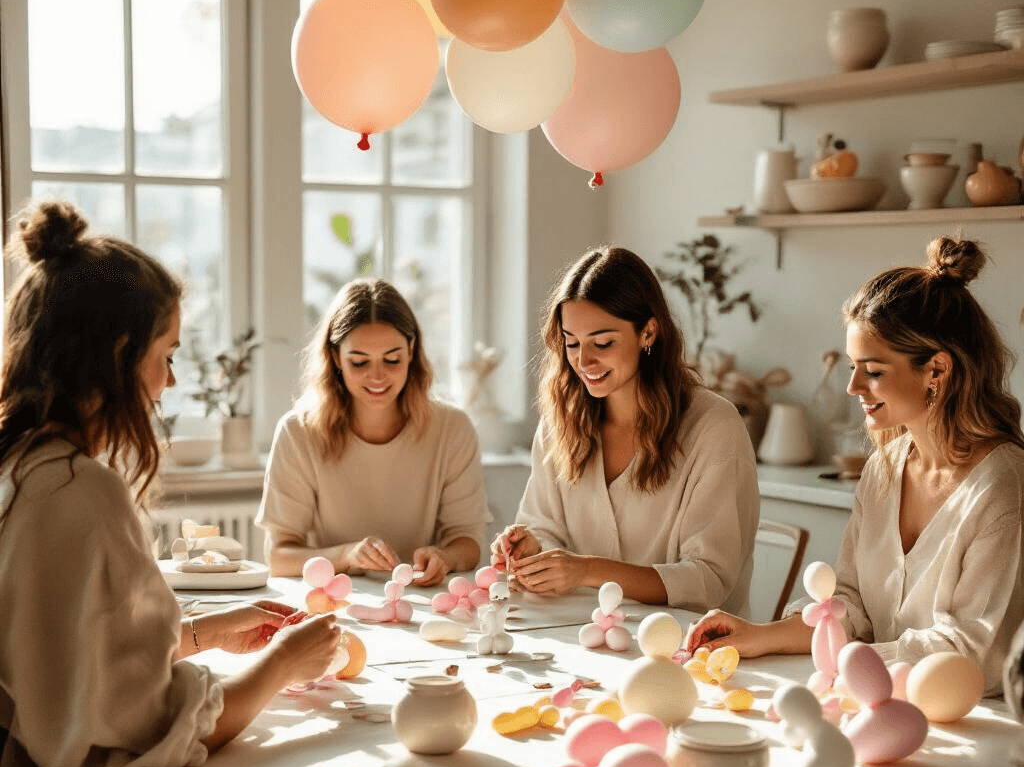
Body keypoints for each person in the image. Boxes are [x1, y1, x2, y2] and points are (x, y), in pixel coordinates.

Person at [0, 200, 341, 767]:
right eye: (166, 353)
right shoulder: (79, 494)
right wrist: (282, 666)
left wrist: (198, 632)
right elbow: (149, 729)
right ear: (120, 352)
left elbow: (61, 655)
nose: (171, 379)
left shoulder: (21, 468)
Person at [687, 237, 1024, 696]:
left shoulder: (1002, 487)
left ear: (936, 371)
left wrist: (845, 661)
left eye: (874, 371)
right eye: (852, 366)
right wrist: (761, 635)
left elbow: (973, 654)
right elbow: (852, 604)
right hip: (874, 697)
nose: (853, 387)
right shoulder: (883, 469)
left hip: (975, 721)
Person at [491, 246, 759, 610]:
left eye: (603, 343)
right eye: (572, 343)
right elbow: (545, 526)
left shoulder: (714, 428)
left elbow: (708, 580)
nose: (584, 361)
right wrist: (531, 546)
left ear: (648, 332)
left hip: (686, 639)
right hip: (577, 631)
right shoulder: (562, 421)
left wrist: (587, 570)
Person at [257, 278, 488, 587]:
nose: (377, 376)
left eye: (391, 360)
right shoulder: (297, 432)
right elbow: (278, 557)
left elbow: (468, 542)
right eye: (359, 362)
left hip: (424, 598)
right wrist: (347, 555)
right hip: (335, 601)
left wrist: (445, 557)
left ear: (411, 350)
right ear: (336, 357)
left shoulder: (453, 429)